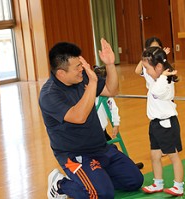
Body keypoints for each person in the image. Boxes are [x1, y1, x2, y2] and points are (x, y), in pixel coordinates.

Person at [39, 38, 143, 199]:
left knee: (134, 180)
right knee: (102, 194)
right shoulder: (49, 95)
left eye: (81, 64)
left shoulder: (81, 78)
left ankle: (96, 175)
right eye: (77, 67)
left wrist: (109, 64)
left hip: (100, 148)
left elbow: (111, 90)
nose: (82, 69)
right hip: (73, 155)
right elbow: (79, 116)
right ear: (61, 73)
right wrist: (93, 82)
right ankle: (60, 185)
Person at [140, 46, 184, 196]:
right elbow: (144, 72)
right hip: (155, 124)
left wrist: (164, 75)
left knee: (173, 156)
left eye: (147, 68)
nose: (145, 71)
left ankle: (178, 185)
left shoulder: (166, 82)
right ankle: (158, 183)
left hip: (167, 124)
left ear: (158, 67)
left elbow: (156, 92)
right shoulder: (155, 78)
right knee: (155, 156)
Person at [94, 65, 120, 141]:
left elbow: (113, 109)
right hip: (91, 132)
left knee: (110, 148)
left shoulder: (107, 97)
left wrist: (116, 124)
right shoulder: (88, 94)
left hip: (102, 130)